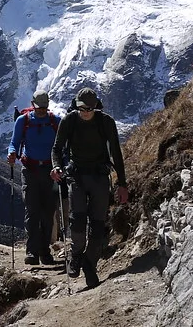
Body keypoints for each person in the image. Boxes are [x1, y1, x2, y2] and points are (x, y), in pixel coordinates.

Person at [50, 87, 128, 288]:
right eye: (81, 108)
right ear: (75, 105)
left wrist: (122, 184)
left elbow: (117, 155)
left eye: (89, 109)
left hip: (100, 176)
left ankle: (90, 264)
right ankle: (76, 255)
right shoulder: (69, 121)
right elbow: (57, 149)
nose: (84, 112)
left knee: (98, 223)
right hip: (77, 175)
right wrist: (57, 166)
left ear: (96, 107)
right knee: (77, 218)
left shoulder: (106, 122)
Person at [7, 90, 61, 265]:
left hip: (50, 172)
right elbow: (14, 142)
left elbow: (63, 146)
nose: (41, 111)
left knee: (48, 213)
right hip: (30, 170)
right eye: (39, 107)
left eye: (44, 107)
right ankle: (32, 252)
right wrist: (12, 153)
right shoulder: (23, 121)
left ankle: (44, 252)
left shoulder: (55, 122)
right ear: (33, 104)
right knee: (32, 211)